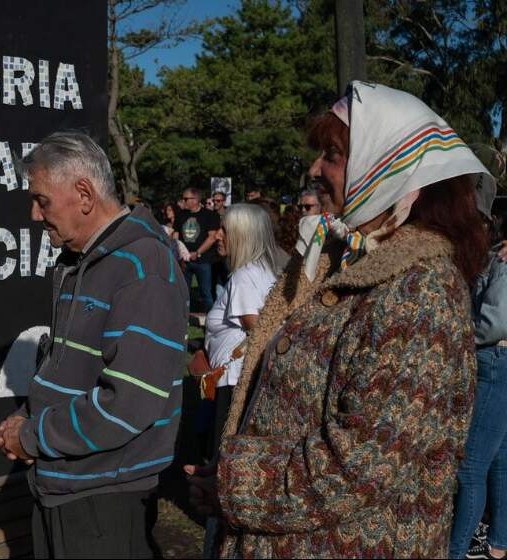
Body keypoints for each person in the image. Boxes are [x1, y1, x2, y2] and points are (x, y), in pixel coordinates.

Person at [188, 82, 490, 558]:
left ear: (386, 166)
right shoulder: (339, 259)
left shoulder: (420, 291)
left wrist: (232, 479)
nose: (314, 169)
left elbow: (360, 462)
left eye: (332, 153)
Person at [0, 131, 189, 559]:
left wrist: (32, 434)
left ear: (84, 193)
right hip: (65, 485)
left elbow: (128, 404)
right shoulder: (80, 262)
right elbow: (68, 370)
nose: (33, 213)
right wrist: (28, 417)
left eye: (41, 200)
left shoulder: (143, 267)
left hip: (103, 499)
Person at [450, 211, 507, 560]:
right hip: (499, 360)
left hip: (494, 360)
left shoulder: (501, 260)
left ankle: (454, 552)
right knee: (500, 459)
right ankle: (498, 544)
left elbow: (496, 322)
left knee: (471, 467)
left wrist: (460, 338)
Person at [204, 204, 282, 459]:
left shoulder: (243, 278)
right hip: (243, 380)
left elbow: (259, 331)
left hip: (234, 383)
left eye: (224, 229)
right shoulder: (261, 271)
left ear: (243, 235)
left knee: (227, 458)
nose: (217, 235)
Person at [173, 187, 221, 311]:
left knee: (206, 293)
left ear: (195, 200)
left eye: (185, 199)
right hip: (184, 260)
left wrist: (198, 252)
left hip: (203, 260)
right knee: (183, 293)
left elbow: (212, 237)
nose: (183, 201)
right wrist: (178, 251)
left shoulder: (210, 215)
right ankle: (183, 318)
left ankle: (210, 319)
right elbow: (176, 235)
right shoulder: (180, 215)